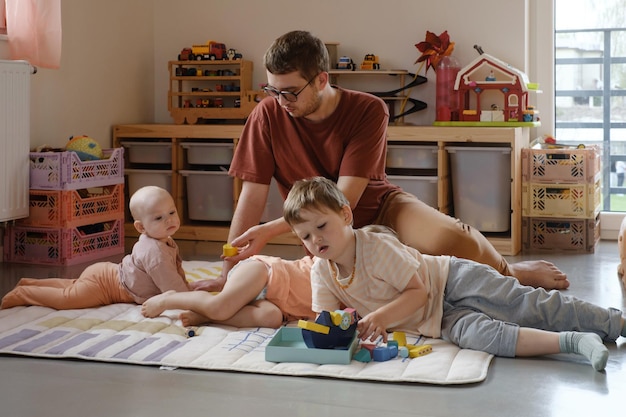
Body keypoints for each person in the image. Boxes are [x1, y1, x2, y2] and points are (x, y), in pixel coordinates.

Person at [202, 29, 567, 294]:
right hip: (323, 229)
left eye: (291, 92)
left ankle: (511, 273)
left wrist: (270, 230)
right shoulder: (266, 115)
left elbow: (345, 199)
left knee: (455, 240)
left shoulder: (368, 109)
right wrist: (228, 271)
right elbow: (251, 197)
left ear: (321, 80)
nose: (281, 100)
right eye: (272, 90)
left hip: (380, 207)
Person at [282, 177, 626, 371]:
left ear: (345, 215)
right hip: (435, 321)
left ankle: (615, 323)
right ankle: (576, 342)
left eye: (322, 226)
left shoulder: (373, 247)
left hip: (451, 280)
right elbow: (326, 318)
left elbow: (417, 292)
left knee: (528, 305)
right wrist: (339, 328)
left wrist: (379, 318)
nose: (316, 240)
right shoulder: (321, 272)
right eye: (306, 236)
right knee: (488, 338)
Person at [1, 186, 194, 310]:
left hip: (105, 273)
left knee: (73, 286)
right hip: (106, 286)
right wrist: (194, 301)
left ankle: (30, 283)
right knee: (67, 299)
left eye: (171, 212)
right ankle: (23, 293)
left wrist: (188, 287)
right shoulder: (155, 252)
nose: (169, 219)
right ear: (141, 227)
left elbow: (174, 274)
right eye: (158, 217)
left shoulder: (161, 239)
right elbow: (172, 289)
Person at [141, 254, 315, 328]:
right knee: (220, 307)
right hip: (266, 272)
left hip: (277, 304)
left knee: (271, 318)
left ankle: (206, 316)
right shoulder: (331, 264)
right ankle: (170, 299)